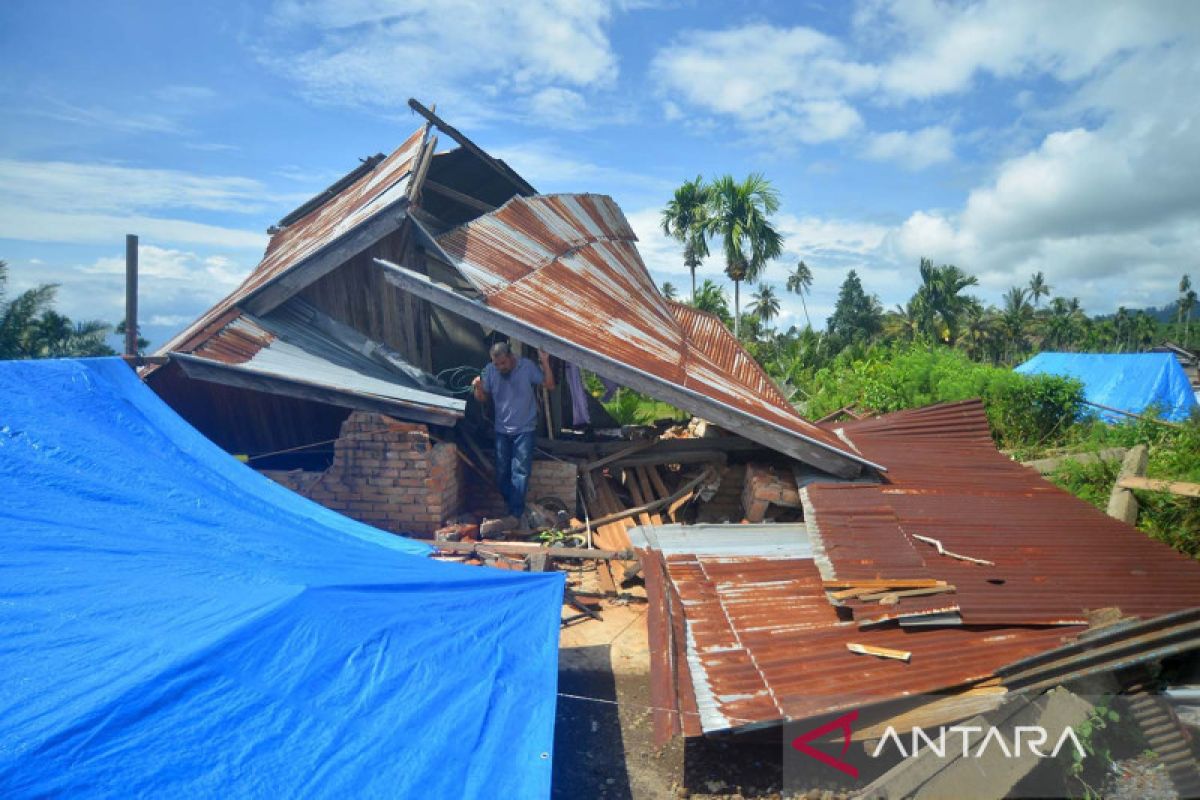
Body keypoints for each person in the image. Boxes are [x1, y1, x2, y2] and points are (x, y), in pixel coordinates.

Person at [472, 342, 554, 534]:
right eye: (496, 364)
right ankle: (516, 509)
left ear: (510, 357)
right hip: (502, 430)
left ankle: (515, 514)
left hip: (525, 429)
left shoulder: (526, 367)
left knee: (520, 472)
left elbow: (549, 385)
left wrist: (545, 362)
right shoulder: (490, 371)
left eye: (502, 363)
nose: (500, 367)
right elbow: (482, 398)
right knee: (501, 473)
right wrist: (478, 387)